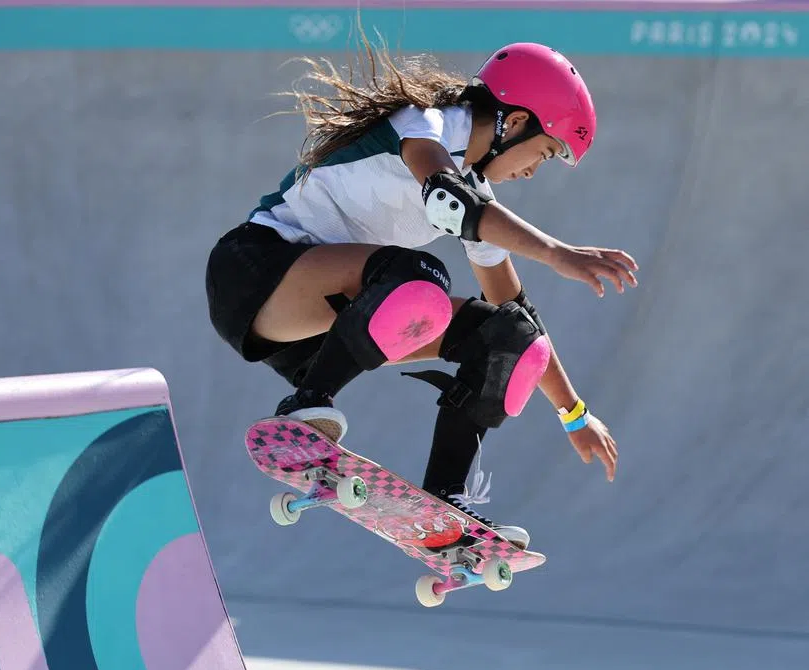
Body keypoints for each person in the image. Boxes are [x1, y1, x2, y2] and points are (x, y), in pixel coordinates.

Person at [205, 38, 638, 549]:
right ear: (516, 122)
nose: (532, 171)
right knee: (419, 280)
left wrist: (575, 414)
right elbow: (447, 200)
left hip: (323, 329)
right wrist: (558, 252)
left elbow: (517, 313)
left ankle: (446, 504)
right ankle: (306, 408)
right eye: (543, 152)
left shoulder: (475, 189)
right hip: (256, 274)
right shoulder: (425, 125)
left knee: (510, 339)